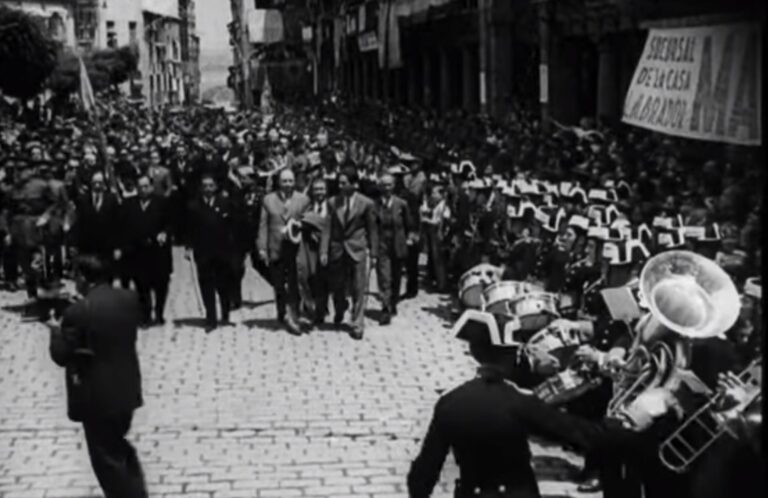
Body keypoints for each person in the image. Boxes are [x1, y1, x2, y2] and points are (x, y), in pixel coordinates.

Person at [407, 310, 628, 498]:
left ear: (475, 352)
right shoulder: (520, 402)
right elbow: (578, 433)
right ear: (513, 355)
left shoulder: (450, 402)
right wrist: (620, 425)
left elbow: (423, 472)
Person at [48, 255, 147, 498]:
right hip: (126, 389)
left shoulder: (77, 312)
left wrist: (55, 331)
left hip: (96, 395)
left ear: (84, 277)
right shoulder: (128, 299)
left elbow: (61, 355)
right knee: (118, 447)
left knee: (106, 459)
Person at [321, 166, 378, 340]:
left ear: (354, 184)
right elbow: (327, 228)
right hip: (338, 249)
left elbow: (372, 229)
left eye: (344, 183)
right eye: (339, 183)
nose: (340, 186)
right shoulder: (332, 202)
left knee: (359, 287)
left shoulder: (366, 203)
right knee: (337, 286)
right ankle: (340, 307)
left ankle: (357, 322)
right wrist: (324, 251)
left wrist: (373, 253)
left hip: (357, 249)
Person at [256, 168, 309, 334]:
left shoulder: (303, 200)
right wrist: (262, 247)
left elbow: (308, 221)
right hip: (276, 246)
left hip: (295, 247)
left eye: (290, 181)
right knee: (278, 283)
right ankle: (281, 311)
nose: (287, 184)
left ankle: (293, 315)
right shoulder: (268, 200)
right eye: (284, 181)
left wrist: (298, 226)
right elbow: (263, 225)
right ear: (278, 182)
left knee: (294, 283)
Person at [186, 173, 236, 332]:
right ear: (200, 188)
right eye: (205, 186)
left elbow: (233, 226)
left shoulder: (225, 203)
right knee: (206, 284)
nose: (208, 189)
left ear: (216, 187)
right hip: (203, 251)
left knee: (223, 284)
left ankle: (225, 312)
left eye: (211, 185)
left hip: (223, 251)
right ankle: (211, 318)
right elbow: (188, 229)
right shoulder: (193, 206)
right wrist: (188, 247)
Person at [121, 176, 172, 327]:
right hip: (138, 251)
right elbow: (124, 225)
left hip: (158, 252)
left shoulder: (162, 203)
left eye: (145, 186)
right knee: (142, 286)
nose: (143, 190)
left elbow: (171, 223)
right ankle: (145, 315)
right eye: (140, 187)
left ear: (151, 187)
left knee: (161, 285)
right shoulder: (129, 204)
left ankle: (159, 312)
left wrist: (165, 232)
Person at [375, 173, 414, 325]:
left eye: (389, 185)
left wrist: (409, 238)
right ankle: (385, 308)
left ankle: (393, 302)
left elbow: (409, 224)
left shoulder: (401, 204)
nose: (387, 188)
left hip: (398, 244)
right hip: (382, 244)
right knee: (384, 276)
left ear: (394, 186)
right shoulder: (376, 204)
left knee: (396, 277)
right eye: (384, 185)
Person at [296, 177, 331, 327]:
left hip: (328, 248)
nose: (319, 192)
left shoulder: (332, 207)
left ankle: (321, 310)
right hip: (309, 247)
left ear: (326, 190)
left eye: (321, 189)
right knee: (308, 276)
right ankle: (310, 306)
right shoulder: (307, 206)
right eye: (316, 189)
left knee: (324, 279)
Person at [72, 171, 122, 275]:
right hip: (88, 246)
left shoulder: (111, 199)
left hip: (107, 247)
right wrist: (74, 244)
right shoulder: (82, 200)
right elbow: (78, 223)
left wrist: (118, 246)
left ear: (104, 183)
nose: (97, 185)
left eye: (100, 182)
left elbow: (117, 224)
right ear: (91, 183)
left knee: (106, 276)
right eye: (95, 182)